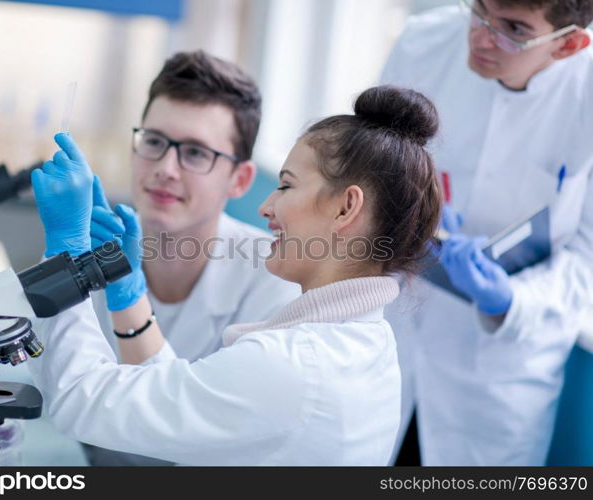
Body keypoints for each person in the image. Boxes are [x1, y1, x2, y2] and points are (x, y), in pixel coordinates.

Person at [27, 85, 443, 465]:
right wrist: (129, 292)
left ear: (345, 208)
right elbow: (184, 398)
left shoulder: (294, 366)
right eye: (153, 142)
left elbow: (82, 400)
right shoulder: (368, 342)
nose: (266, 208)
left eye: (285, 186)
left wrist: (67, 252)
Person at [381, 0, 593, 465]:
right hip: (392, 329)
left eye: (513, 29)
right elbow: (370, 168)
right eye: (479, 10)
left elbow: (586, 258)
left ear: (569, 44)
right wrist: (409, 210)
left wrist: (509, 301)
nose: (480, 36)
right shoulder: (423, 43)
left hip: (498, 379)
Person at [87, 51, 299, 465]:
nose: (166, 168)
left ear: (239, 180)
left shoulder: (275, 282)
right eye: (153, 141)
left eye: (196, 153)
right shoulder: (91, 249)